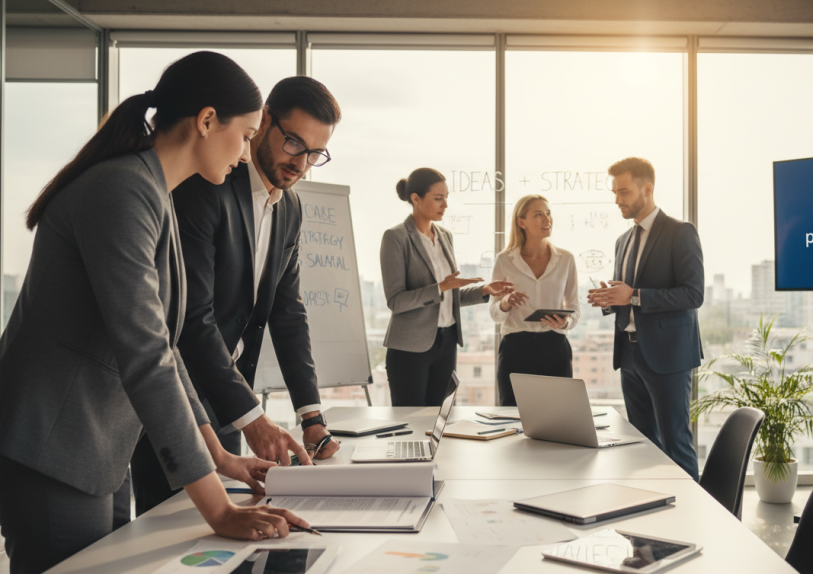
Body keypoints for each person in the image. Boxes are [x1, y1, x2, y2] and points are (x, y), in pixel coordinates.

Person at [0, 51, 307, 574]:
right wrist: (219, 508)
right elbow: (146, 355)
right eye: (248, 132)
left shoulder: (153, 191)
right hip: (55, 445)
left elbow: (164, 346)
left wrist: (221, 457)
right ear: (207, 121)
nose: (247, 149)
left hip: (98, 449)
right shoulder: (121, 189)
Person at [131, 77, 342, 515]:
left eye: (315, 154)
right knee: (171, 533)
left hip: (228, 402)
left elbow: (287, 313)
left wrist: (312, 416)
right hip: (177, 396)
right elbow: (192, 320)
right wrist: (254, 418)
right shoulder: (205, 186)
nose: (301, 163)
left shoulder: (290, 207)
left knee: (222, 536)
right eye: (293, 143)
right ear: (264, 120)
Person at [587, 157, 704, 480]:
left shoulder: (680, 232)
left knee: (675, 443)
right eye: (615, 192)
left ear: (647, 189)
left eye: (624, 191)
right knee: (639, 446)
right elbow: (625, 294)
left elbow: (693, 295)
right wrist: (608, 300)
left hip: (668, 356)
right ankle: (650, 513)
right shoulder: (622, 241)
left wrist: (634, 296)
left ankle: (689, 522)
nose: (618, 200)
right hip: (629, 354)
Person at [380, 168, 514, 406]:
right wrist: (440, 287)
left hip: (447, 341)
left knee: (439, 419)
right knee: (411, 423)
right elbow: (396, 301)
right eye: (438, 198)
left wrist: (485, 291)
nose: (445, 205)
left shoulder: (445, 236)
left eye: (446, 198)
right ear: (416, 199)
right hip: (410, 347)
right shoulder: (396, 237)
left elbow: (449, 296)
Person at [490, 195, 580, 405]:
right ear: (521, 222)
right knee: (512, 418)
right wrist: (505, 303)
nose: (547, 219)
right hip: (515, 349)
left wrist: (566, 322)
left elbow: (575, 306)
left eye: (548, 213)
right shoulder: (504, 260)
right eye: (538, 214)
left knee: (559, 418)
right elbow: (493, 312)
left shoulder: (566, 259)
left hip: (555, 346)